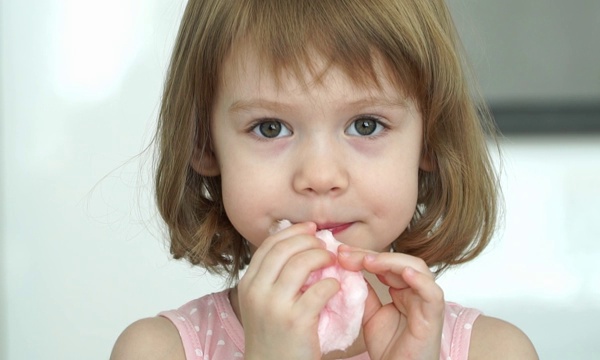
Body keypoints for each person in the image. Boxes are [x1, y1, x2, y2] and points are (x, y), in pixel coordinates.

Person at [111, 0, 538, 359]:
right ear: (203, 143)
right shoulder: (158, 350)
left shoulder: (495, 351)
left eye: (366, 125)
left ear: (431, 138)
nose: (319, 177)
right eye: (270, 127)